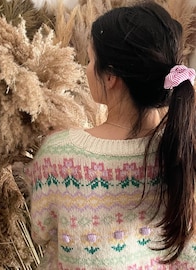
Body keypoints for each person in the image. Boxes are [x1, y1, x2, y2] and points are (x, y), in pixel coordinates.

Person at [25, 1, 196, 269]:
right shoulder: (186, 146)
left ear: (111, 77)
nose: (87, 68)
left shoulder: (61, 157)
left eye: (91, 59)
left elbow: (41, 231)